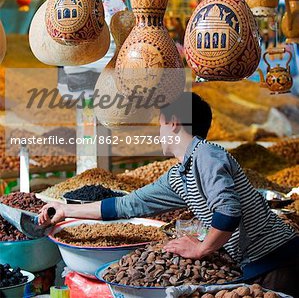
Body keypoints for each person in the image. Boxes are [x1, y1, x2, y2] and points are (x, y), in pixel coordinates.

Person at [39, 92, 299, 296]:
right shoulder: (180, 175)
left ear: (174, 122)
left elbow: (229, 210)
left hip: (279, 262)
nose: (158, 132)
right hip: (257, 266)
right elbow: (129, 205)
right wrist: (65, 210)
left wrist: (200, 249)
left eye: (160, 124)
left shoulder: (207, 154)